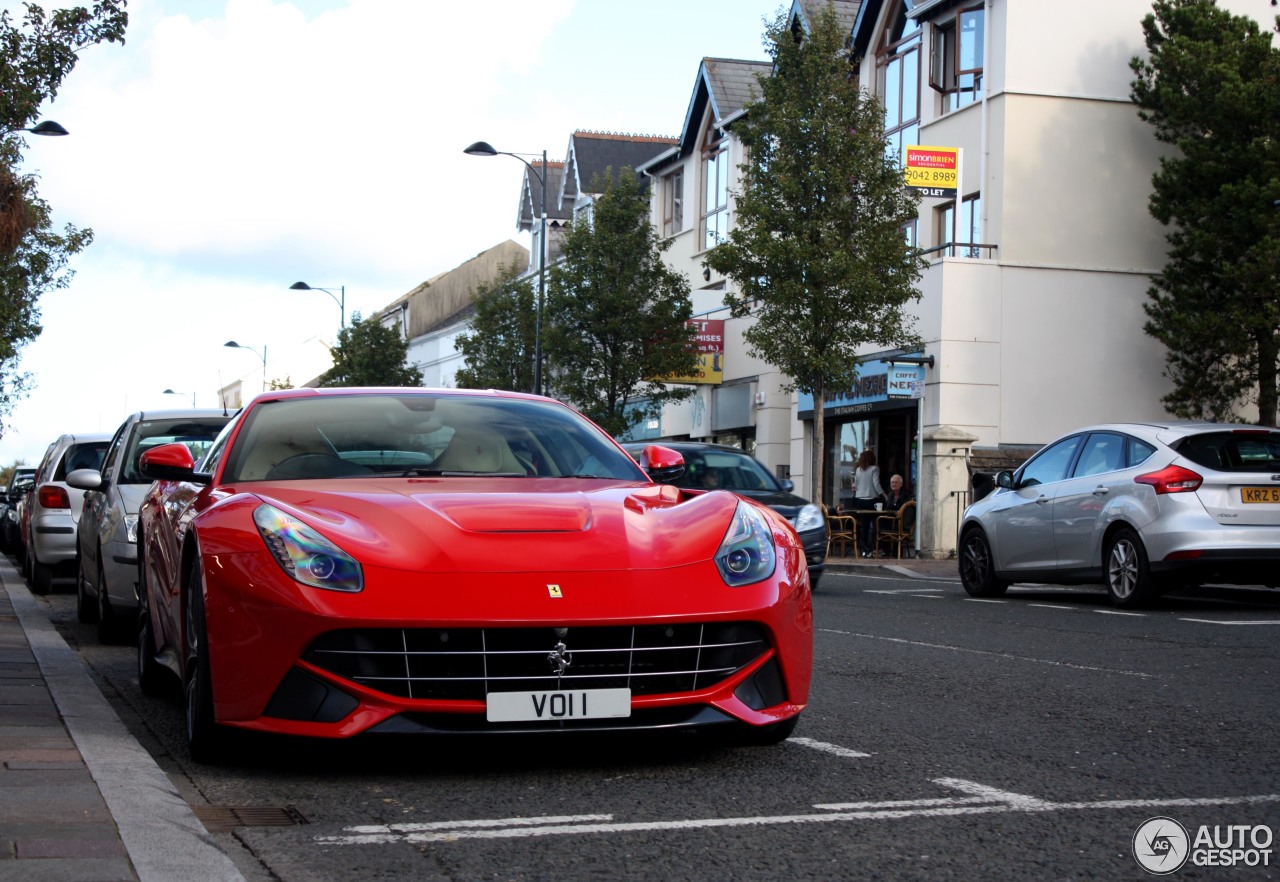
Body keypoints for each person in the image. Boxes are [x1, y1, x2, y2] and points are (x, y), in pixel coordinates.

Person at [851, 449, 881, 557]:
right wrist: (883, 494)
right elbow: (876, 484)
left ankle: (864, 549)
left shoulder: (858, 470)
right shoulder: (875, 469)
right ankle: (873, 547)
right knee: (875, 524)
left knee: (864, 525)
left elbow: (856, 485)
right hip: (872, 499)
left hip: (860, 499)